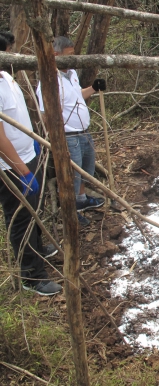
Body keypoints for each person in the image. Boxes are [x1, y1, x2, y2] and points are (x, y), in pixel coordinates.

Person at [0, 35, 62, 296]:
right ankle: (31, 276)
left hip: (28, 155)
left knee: (34, 209)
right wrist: (23, 171)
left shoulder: (7, 77)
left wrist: (33, 144)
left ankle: (36, 249)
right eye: (8, 52)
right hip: (12, 167)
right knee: (21, 218)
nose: (13, 56)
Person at [36, 36, 106, 227]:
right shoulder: (49, 80)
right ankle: (70, 213)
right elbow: (46, 114)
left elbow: (77, 97)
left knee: (85, 171)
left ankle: (81, 200)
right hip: (68, 136)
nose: (72, 59)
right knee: (71, 176)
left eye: (73, 54)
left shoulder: (72, 73)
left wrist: (93, 88)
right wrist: (57, 138)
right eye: (69, 55)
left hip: (84, 132)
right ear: (55, 55)